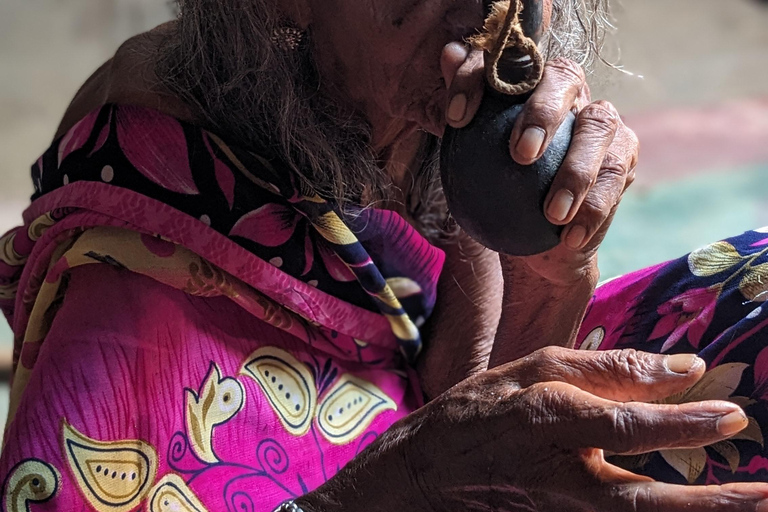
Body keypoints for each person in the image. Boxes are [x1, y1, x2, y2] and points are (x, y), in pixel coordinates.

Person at [1, 0, 767, 510]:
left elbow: (464, 394)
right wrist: (396, 486)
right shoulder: (137, 279)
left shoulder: (396, 93)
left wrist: (546, 273)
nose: (504, 17)